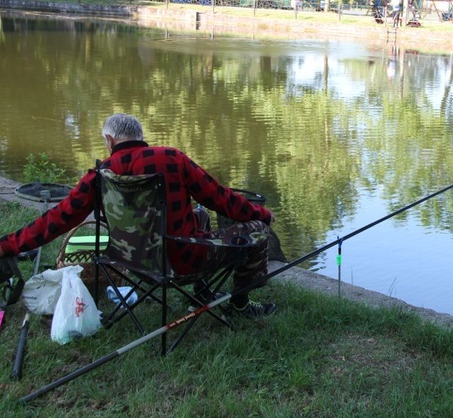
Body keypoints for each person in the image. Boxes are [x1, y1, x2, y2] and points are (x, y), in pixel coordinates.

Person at [0, 113, 276, 317]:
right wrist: (260, 214)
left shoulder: (99, 175)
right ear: (141, 136)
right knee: (256, 230)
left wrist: (8, 245)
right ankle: (239, 305)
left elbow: (56, 221)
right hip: (182, 264)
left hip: (132, 264)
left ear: (110, 140)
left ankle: (202, 296)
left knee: (198, 215)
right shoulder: (172, 158)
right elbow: (221, 199)